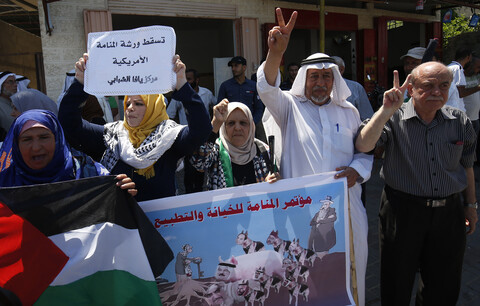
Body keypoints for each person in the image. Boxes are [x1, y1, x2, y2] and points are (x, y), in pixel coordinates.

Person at [256, 9, 372, 306]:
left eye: (326, 77)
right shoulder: (288, 108)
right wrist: (275, 53)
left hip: (344, 209)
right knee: (304, 279)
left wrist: (357, 171)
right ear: (304, 79)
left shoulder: (349, 112)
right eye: (314, 77)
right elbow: (267, 87)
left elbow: (364, 151)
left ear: (334, 80)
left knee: (350, 274)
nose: (320, 83)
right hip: (301, 213)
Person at [355, 62, 478, 305]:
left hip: (448, 214)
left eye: (444, 86)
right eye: (428, 86)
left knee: (443, 283)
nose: (437, 92)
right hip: (403, 212)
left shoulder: (459, 121)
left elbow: (467, 166)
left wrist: (471, 205)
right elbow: (364, 145)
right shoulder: (393, 118)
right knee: (396, 281)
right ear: (410, 89)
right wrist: (386, 110)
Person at [58, 54, 212, 202]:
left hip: (161, 223)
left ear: (154, 107)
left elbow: (201, 129)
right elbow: (69, 124)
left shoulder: (169, 137)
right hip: (121, 224)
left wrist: (182, 85)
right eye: (127, 103)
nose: (130, 108)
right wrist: (80, 83)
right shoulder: (112, 135)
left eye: (138, 103)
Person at [0, 109, 135, 196]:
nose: (36, 147)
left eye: (44, 137)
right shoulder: (4, 184)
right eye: (27, 139)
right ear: (16, 145)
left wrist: (122, 193)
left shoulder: (88, 173)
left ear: (58, 140)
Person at [190, 99, 278, 190]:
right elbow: (198, 163)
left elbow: (276, 190)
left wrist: (273, 183)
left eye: (243, 123)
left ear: (251, 126)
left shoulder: (264, 151)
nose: (237, 128)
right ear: (224, 127)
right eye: (231, 123)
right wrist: (215, 123)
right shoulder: (216, 151)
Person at [167, 68, 216, 193]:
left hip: (203, 138)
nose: (187, 82)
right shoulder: (180, 95)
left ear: (197, 80)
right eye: (186, 79)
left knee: (201, 172)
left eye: (189, 79)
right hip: (187, 138)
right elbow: (169, 114)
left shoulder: (207, 93)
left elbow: (215, 106)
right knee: (188, 173)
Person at [217, 56, 266, 142]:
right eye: (232, 66)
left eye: (236, 66)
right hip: (231, 127)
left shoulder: (254, 86)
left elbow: (259, 108)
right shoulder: (225, 86)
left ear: (244, 67)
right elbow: (219, 108)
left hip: (249, 127)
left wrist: (251, 123)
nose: (233, 69)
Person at [331, 56, 373, 121]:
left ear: (341, 70)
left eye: (331, 69)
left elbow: (367, 118)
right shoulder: (321, 89)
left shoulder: (356, 88)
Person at [308, 196, 337, 260]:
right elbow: (311, 222)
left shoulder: (331, 212)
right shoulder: (318, 213)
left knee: (324, 260)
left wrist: (320, 221)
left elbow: (332, 218)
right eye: (324, 203)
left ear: (329, 204)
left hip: (324, 242)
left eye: (326, 204)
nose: (324, 205)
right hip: (314, 241)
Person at [0, 72, 17, 141]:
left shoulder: (15, 103)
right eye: (10, 82)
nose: (15, 85)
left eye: (15, 82)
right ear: (1, 85)